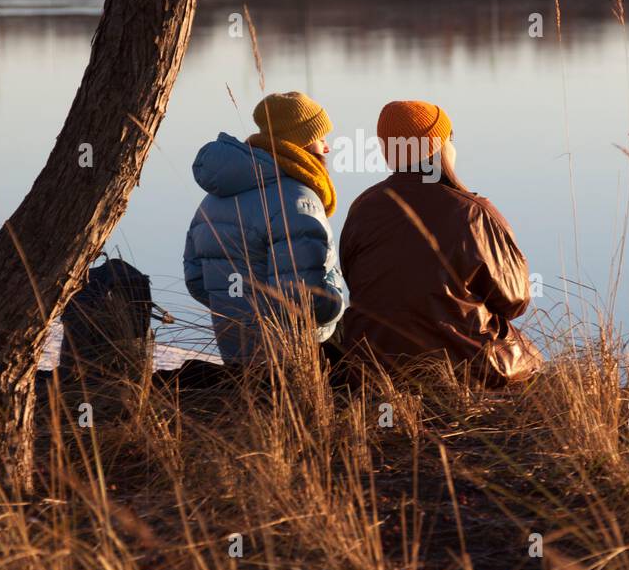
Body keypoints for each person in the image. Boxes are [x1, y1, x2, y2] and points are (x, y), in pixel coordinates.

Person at [338, 100, 542, 385]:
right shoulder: (473, 213)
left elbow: (354, 279)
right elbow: (515, 300)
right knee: (529, 356)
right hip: (463, 369)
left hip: (373, 366)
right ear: (439, 147)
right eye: (451, 138)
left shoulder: (362, 208)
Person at [183, 91, 346, 367]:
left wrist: (236, 311)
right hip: (292, 359)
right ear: (301, 144)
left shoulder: (213, 199)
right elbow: (303, 297)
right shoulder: (295, 199)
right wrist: (337, 304)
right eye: (321, 139)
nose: (327, 147)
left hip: (236, 353)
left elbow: (196, 279)